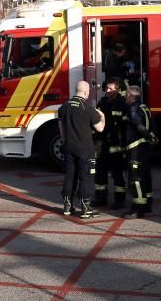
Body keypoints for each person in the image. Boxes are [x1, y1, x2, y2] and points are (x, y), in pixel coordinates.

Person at [57, 80, 105, 219]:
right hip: (85, 149)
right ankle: (86, 208)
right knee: (86, 177)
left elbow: (61, 128)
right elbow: (100, 128)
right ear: (85, 92)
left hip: (68, 147)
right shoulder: (88, 108)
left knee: (70, 176)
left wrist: (66, 140)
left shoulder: (64, 107)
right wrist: (103, 116)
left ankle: (67, 205)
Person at [123, 85, 158, 219]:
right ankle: (148, 203)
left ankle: (138, 208)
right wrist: (153, 137)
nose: (125, 96)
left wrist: (150, 137)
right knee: (146, 176)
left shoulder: (133, 109)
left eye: (126, 95)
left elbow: (139, 126)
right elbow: (153, 125)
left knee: (135, 179)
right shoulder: (145, 107)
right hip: (146, 149)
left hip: (136, 149)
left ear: (132, 96)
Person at [95, 77, 128, 208]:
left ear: (117, 89)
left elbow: (125, 127)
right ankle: (100, 198)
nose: (107, 90)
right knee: (100, 173)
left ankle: (119, 201)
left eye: (110, 88)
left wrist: (124, 144)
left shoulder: (122, 103)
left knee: (117, 175)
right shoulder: (102, 102)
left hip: (117, 146)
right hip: (103, 144)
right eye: (106, 88)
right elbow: (95, 120)